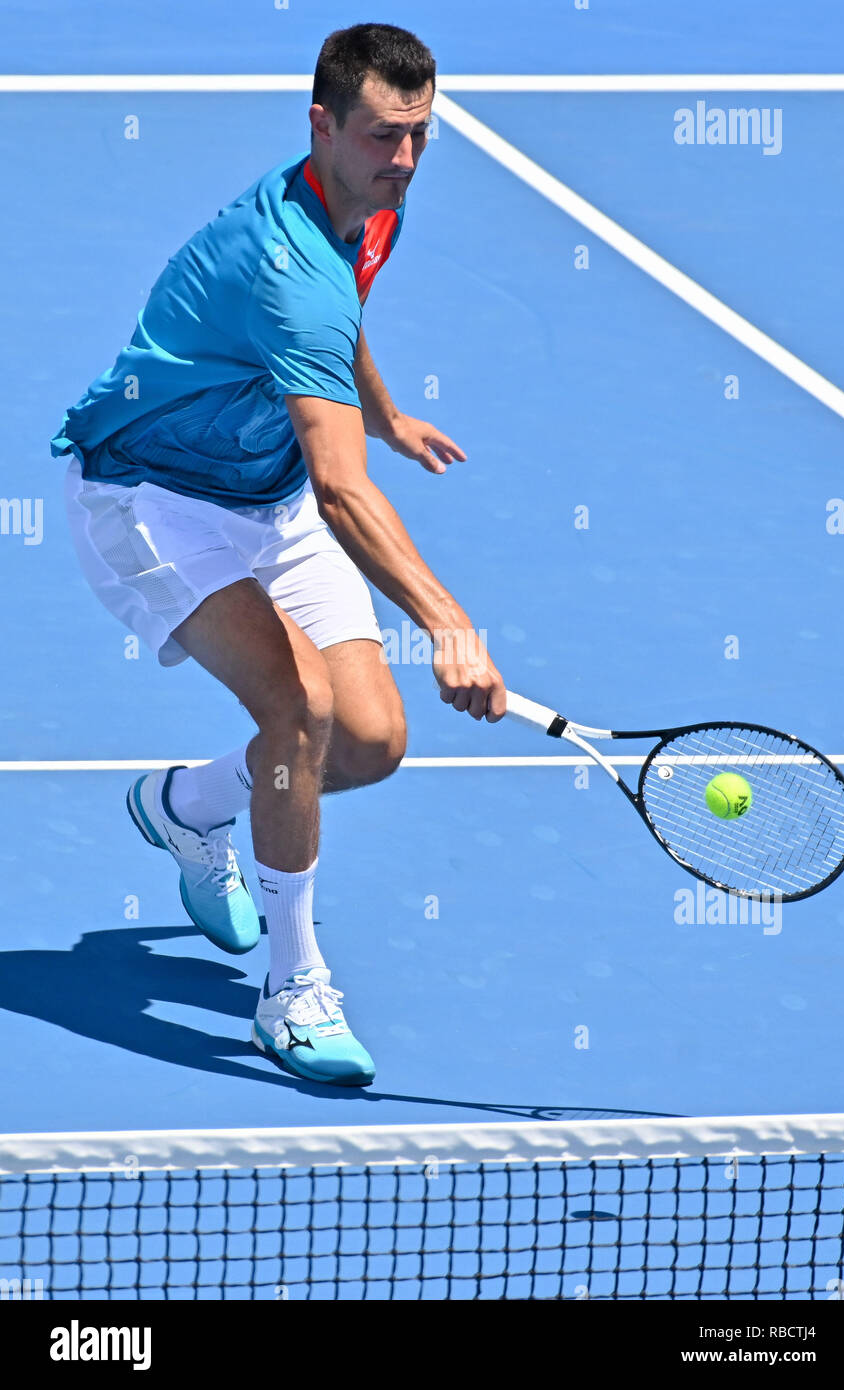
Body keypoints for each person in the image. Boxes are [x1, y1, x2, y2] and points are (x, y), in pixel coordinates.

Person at [51, 23, 506, 1088]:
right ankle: (290, 988)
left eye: (420, 135)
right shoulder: (282, 264)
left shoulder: (364, 207)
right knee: (297, 711)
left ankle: (185, 806)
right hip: (148, 496)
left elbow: (340, 323)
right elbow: (342, 489)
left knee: (370, 745)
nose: (402, 159)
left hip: (263, 492)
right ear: (321, 125)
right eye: (382, 135)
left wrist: (384, 413)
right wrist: (449, 627)